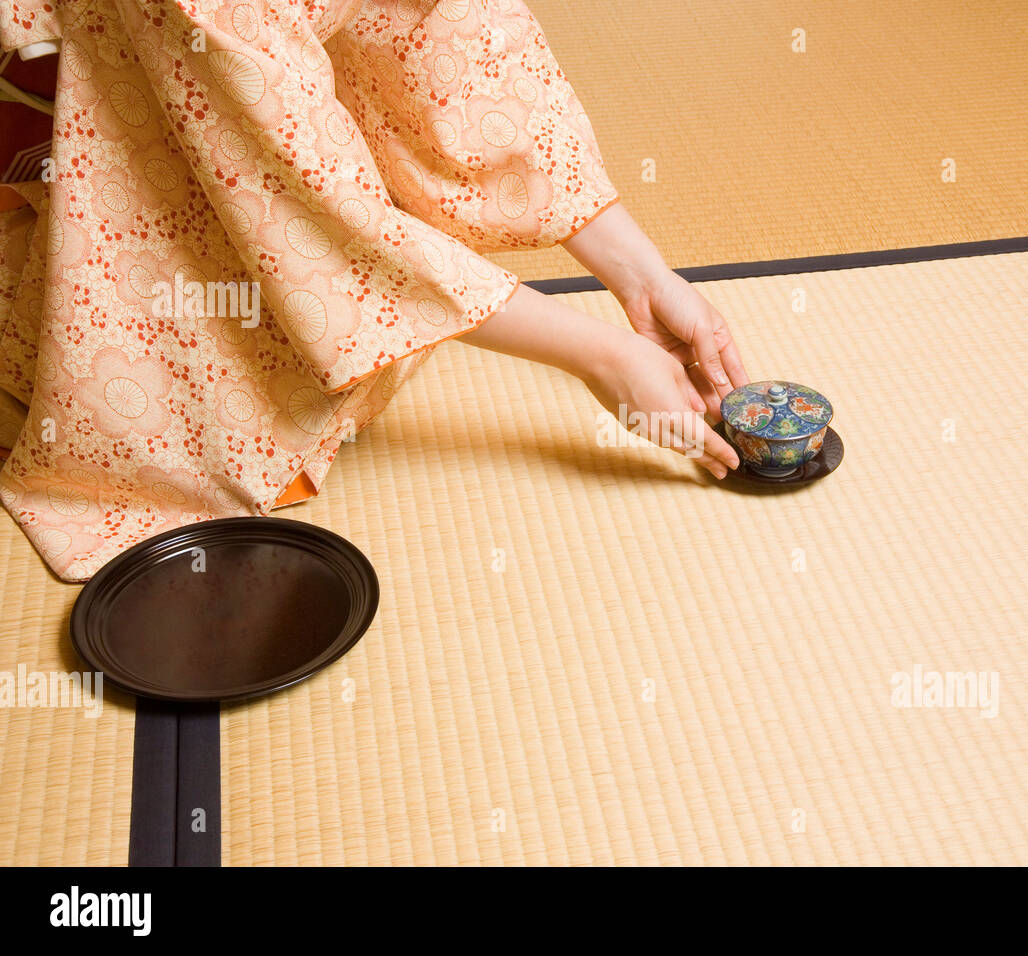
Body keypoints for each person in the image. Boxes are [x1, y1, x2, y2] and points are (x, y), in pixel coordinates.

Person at [0, 0, 746, 582]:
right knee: (203, 426)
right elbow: (317, 208)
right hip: (159, 103)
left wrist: (643, 279)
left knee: (344, 322)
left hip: (266, 100)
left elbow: (462, 42)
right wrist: (603, 356)